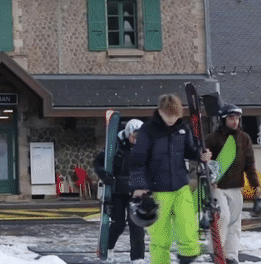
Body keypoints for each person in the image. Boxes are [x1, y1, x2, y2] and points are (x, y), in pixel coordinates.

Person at [129, 94, 212, 264]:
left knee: (189, 231)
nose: (171, 120)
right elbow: (137, 161)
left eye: (175, 116)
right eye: (168, 115)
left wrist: (201, 154)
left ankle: (187, 259)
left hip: (181, 187)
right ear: (160, 111)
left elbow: (189, 151)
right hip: (158, 191)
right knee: (161, 238)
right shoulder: (148, 130)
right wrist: (139, 186)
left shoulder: (183, 129)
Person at [205, 104, 261, 264]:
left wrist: (255, 185)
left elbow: (249, 164)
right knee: (223, 217)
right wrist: (208, 178)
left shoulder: (244, 138)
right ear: (224, 119)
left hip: (236, 187)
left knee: (235, 223)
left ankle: (231, 255)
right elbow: (204, 163)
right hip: (218, 187)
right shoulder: (212, 138)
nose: (235, 121)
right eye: (231, 117)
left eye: (237, 118)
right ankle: (217, 251)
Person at [94, 118, 146, 264]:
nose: (135, 140)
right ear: (128, 132)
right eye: (133, 136)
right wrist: (104, 175)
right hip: (117, 190)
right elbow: (98, 163)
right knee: (118, 224)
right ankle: (108, 248)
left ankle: (138, 258)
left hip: (135, 189)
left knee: (136, 224)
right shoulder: (115, 145)